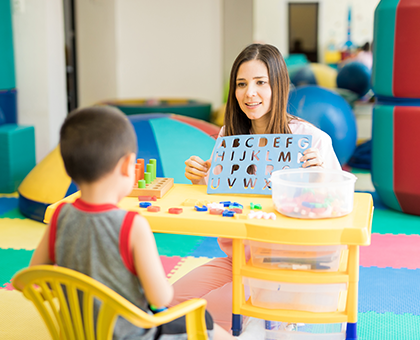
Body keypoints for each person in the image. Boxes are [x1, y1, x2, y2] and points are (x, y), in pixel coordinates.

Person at [29, 106, 263, 340]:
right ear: (127, 165)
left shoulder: (59, 217)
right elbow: (160, 299)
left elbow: (34, 277)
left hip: (76, 331)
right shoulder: (132, 225)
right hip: (132, 334)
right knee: (205, 323)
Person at [170, 43, 342, 332]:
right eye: (241, 84)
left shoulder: (312, 139)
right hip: (238, 257)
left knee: (205, 318)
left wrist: (321, 181)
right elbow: (222, 199)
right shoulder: (230, 137)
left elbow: (339, 211)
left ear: (279, 86)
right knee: (168, 304)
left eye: (261, 82)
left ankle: (272, 325)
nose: (250, 93)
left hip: (288, 268)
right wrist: (202, 178)